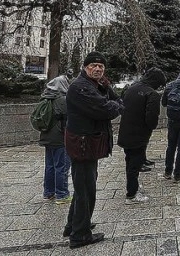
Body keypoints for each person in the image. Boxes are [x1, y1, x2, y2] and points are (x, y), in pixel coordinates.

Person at [63, 51, 123, 249]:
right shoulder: (80, 87)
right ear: (85, 67)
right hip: (82, 144)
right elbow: (106, 109)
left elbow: (116, 101)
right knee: (85, 189)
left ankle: (74, 224)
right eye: (93, 66)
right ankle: (80, 235)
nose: (97, 69)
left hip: (88, 143)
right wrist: (113, 105)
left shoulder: (98, 85)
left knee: (85, 186)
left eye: (101, 66)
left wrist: (112, 102)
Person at [117, 68, 166, 205]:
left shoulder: (131, 88)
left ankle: (133, 186)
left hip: (126, 132)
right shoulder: (152, 94)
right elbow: (151, 120)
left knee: (129, 162)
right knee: (135, 165)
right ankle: (131, 194)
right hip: (139, 135)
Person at [39, 75, 71, 205]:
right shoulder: (63, 100)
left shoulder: (45, 99)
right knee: (62, 166)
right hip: (60, 138)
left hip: (47, 137)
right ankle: (62, 194)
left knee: (50, 166)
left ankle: (48, 192)